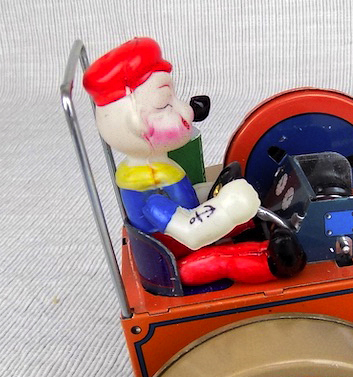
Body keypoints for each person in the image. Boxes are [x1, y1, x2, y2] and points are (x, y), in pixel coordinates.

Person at [83, 37, 304, 286]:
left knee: (246, 212)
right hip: (177, 261)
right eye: (165, 104)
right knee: (220, 259)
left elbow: (185, 200)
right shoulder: (147, 188)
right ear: (134, 124)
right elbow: (190, 232)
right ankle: (277, 262)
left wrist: (215, 193)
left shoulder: (157, 168)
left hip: (178, 242)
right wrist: (227, 206)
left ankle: (263, 225)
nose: (187, 111)